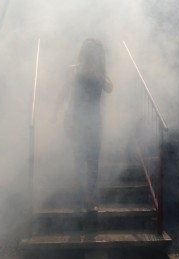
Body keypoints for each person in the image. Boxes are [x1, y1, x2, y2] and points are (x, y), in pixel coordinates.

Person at [54, 38, 113, 212]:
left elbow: (110, 88)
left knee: (93, 160)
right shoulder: (74, 70)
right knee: (80, 158)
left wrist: (99, 74)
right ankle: (84, 197)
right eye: (92, 52)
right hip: (75, 119)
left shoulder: (100, 73)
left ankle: (88, 196)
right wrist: (54, 112)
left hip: (94, 121)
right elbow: (63, 92)